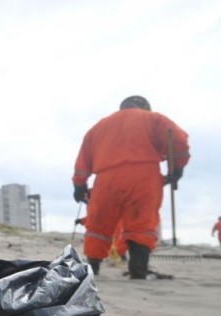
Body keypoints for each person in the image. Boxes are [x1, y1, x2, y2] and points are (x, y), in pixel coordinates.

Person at [72, 95, 190, 279]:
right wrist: (177, 169)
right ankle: (138, 271)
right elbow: (178, 139)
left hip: (106, 178)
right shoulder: (153, 119)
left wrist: (79, 185)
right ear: (145, 107)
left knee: (98, 225)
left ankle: (92, 268)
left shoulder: (99, 127)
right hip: (143, 176)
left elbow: (83, 157)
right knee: (141, 225)